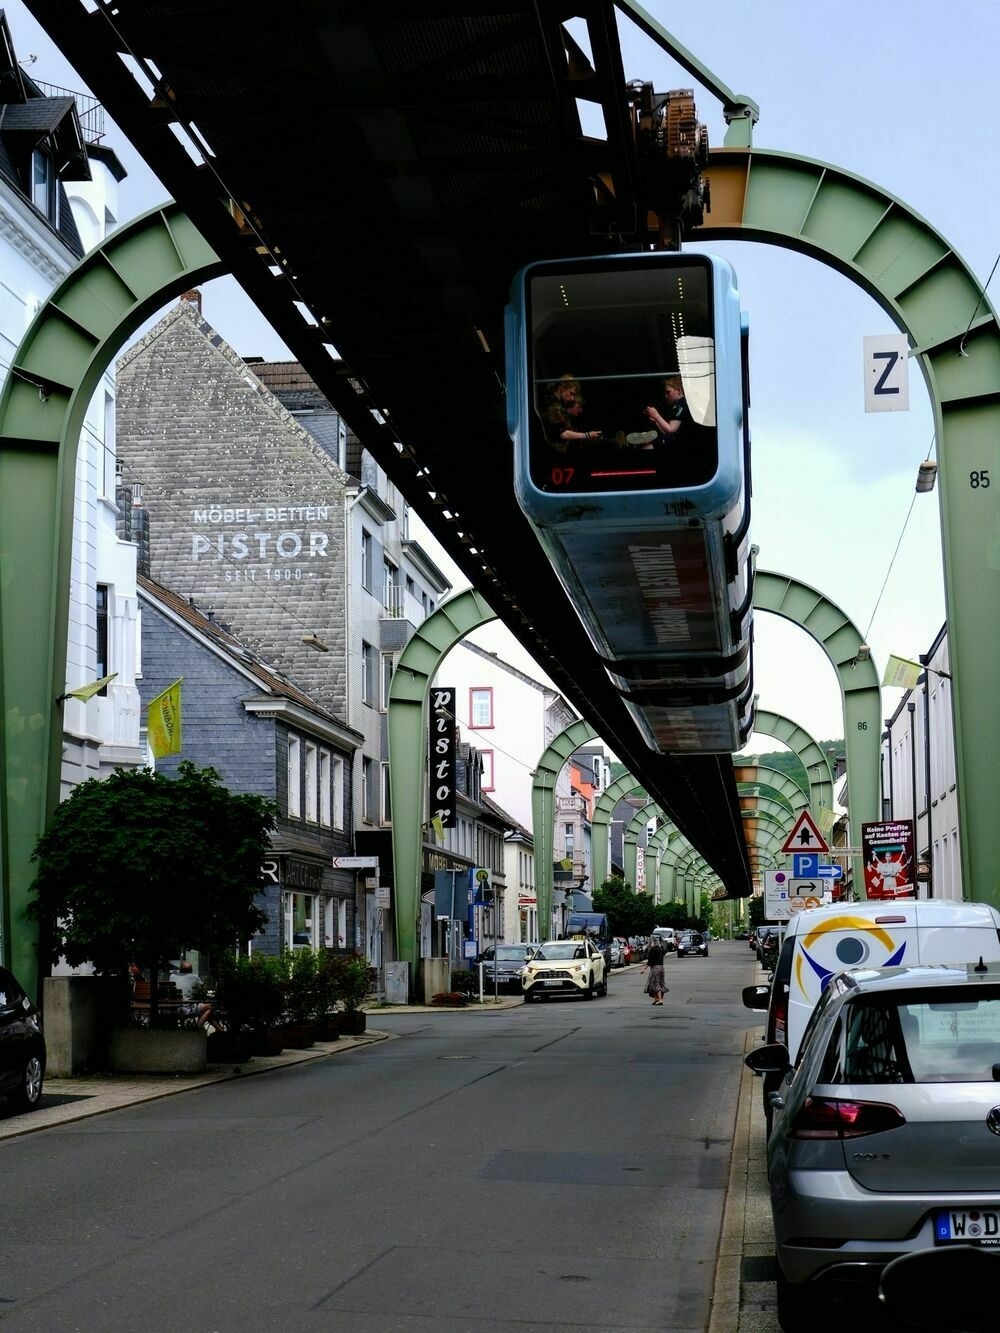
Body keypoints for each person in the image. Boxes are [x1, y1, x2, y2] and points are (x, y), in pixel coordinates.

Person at [170, 959, 221, 1032]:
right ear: (191, 970)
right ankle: (197, 1028)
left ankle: (220, 1030)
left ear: (180, 969)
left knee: (204, 1010)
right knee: (209, 1007)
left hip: (172, 1008)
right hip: (187, 1009)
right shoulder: (194, 977)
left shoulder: (172, 976)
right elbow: (202, 990)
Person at [643, 375, 687, 445]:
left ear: (678, 390)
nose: (666, 395)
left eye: (668, 392)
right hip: (678, 439)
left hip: (682, 441)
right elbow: (666, 432)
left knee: (649, 445)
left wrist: (656, 415)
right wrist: (656, 420)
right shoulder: (678, 404)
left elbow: (671, 430)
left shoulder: (681, 404)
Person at [642, 940, 668, 1005]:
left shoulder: (652, 949)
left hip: (655, 968)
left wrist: (644, 969)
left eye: (649, 943)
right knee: (660, 983)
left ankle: (659, 1000)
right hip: (661, 967)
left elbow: (650, 960)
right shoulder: (660, 949)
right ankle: (657, 999)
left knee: (655, 984)